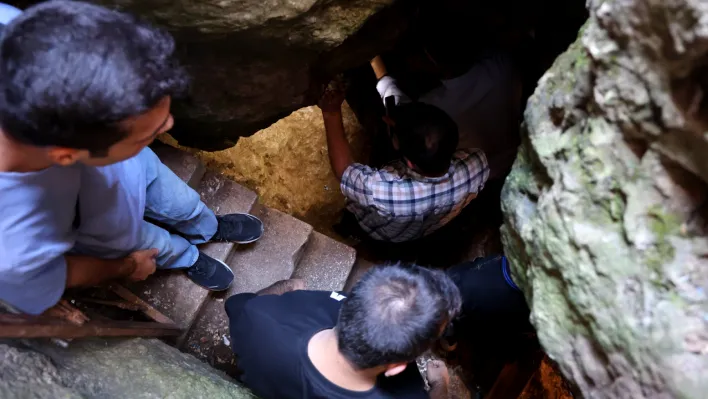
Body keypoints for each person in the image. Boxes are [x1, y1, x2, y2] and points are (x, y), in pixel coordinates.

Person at [0, 1, 264, 316]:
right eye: (149, 133)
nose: (169, 127)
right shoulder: (13, 243)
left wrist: (138, 143)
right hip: (96, 225)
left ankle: (206, 227)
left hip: (130, 167)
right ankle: (186, 257)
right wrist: (127, 266)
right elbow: (54, 275)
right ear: (67, 156)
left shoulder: (23, 35)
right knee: (149, 242)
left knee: (182, 201)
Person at [225, 264, 463, 399]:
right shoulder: (408, 394)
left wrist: (289, 288)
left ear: (348, 302)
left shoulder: (256, 318)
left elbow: (239, 304)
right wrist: (440, 385)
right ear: (397, 367)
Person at [318, 83, 490, 243]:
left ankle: (350, 233)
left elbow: (344, 170)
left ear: (409, 162)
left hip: (379, 232)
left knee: (353, 226)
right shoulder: (477, 163)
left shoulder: (382, 193)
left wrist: (331, 112)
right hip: (418, 231)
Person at [371, 43, 523, 181]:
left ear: (431, 62)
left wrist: (372, 55)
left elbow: (395, 101)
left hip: (479, 177)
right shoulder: (503, 66)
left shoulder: (437, 109)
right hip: (517, 159)